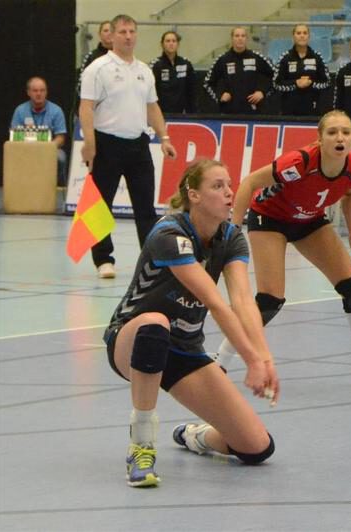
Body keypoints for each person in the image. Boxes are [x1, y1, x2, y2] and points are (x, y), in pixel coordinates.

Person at [105, 158, 279, 488]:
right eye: (218, 186)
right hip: (131, 341)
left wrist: (264, 358)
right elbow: (216, 303)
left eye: (230, 185)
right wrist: (252, 360)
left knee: (257, 447)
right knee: (155, 324)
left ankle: (195, 436)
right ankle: (141, 446)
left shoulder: (231, 238)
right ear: (194, 195)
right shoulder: (169, 234)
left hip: (183, 350)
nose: (229, 193)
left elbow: (243, 302)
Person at [214, 110, 351, 389]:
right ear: (320, 139)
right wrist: (232, 230)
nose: (339, 137)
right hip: (270, 218)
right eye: (332, 132)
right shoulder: (301, 162)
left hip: (309, 221)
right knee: (270, 301)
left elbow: (349, 192)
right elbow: (250, 183)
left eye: (345, 132)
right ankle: (218, 365)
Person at [79, 14, 177, 279]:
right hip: (106, 144)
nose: (128, 36)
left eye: (132, 31)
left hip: (138, 145)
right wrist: (90, 143)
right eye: (122, 32)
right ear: (112, 35)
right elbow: (86, 108)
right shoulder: (97, 69)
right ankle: (103, 260)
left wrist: (164, 137)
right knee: (100, 206)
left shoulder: (144, 70)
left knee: (146, 207)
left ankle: (152, 259)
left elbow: (152, 106)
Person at [204, 27, 275, 115]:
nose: (240, 38)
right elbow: (208, 83)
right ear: (232, 38)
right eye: (237, 36)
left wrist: (262, 92)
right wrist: (220, 95)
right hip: (229, 112)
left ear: (247, 39)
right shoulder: (223, 60)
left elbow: (275, 77)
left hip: (254, 112)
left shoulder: (257, 58)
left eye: (243, 36)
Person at [11, 76, 68, 186]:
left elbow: (61, 138)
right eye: (35, 91)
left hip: (49, 149)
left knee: (61, 157)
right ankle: (18, 188)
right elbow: (14, 135)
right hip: (25, 149)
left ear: (46, 92)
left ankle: (58, 189)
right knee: (10, 155)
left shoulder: (56, 111)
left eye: (42, 90)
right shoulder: (20, 110)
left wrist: (47, 148)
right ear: (28, 92)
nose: (39, 94)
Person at [274, 24, 331, 116]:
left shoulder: (317, 57)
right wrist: (296, 83)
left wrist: (311, 83)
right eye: (298, 33)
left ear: (309, 36)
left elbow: (327, 82)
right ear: (293, 36)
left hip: (312, 108)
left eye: (305, 33)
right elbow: (277, 84)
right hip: (289, 110)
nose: (302, 36)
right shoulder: (285, 58)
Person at [149, 30, 198, 114]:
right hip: (161, 113)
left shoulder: (185, 63)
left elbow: (192, 90)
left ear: (178, 44)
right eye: (168, 41)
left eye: (174, 41)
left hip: (182, 114)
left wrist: (193, 112)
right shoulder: (156, 65)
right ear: (162, 44)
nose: (171, 43)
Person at [76, 20, 112, 101]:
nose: (109, 33)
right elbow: (81, 86)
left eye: (112, 31)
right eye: (105, 31)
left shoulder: (122, 57)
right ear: (99, 34)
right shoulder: (91, 57)